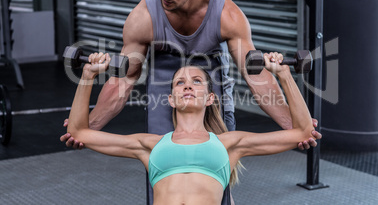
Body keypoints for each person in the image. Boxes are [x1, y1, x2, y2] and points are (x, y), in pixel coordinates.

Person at [61, 0, 320, 204]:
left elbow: (256, 76)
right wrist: (86, 129)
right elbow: (124, 79)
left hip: (211, 72)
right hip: (164, 73)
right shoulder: (143, 17)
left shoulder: (227, 15)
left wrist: (293, 126)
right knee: (162, 156)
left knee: (219, 154)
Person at [67, 51, 320, 205]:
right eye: (179, 83)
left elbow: (303, 132)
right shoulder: (149, 145)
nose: (187, 86)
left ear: (210, 98)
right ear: (170, 99)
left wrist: (285, 74)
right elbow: (79, 132)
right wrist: (88, 74)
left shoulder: (229, 144)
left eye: (197, 81)